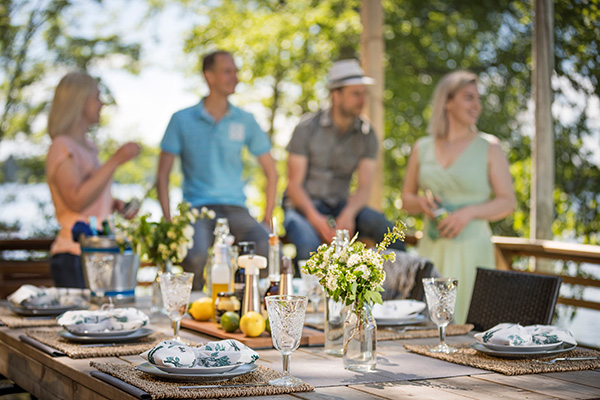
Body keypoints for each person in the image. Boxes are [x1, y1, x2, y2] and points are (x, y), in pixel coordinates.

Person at [401, 70, 515, 323]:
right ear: (448, 102)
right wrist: (420, 203)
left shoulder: (490, 147)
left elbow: (508, 202)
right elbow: (406, 199)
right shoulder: (422, 147)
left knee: (467, 326)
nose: (477, 106)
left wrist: (468, 213)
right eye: (469, 98)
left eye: (478, 99)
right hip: (431, 247)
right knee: (425, 324)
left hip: (472, 248)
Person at [157, 50, 278, 289]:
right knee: (194, 256)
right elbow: (162, 176)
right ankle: (194, 314)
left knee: (264, 246)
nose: (235, 77)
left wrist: (266, 219)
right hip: (197, 211)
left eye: (236, 71)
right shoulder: (181, 120)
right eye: (227, 71)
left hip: (236, 209)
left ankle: (247, 308)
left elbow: (272, 172)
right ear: (209, 76)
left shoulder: (246, 120)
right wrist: (169, 220)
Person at [284, 59, 405, 263]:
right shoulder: (306, 128)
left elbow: (364, 187)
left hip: (341, 207)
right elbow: (294, 186)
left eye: (364, 93)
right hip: (303, 208)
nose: (362, 100)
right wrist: (317, 220)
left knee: (388, 232)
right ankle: (304, 295)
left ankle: (402, 289)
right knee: (309, 246)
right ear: (336, 95)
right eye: (355, 94)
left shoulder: (367, 135)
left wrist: (349, 214)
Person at [46, 71, 141, 288]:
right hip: (74, 255)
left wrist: (113, 203)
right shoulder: (61, 146)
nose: (102, 104)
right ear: (79, 101)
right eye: (96, 97)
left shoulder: (88, 147)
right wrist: (116, 160)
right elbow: (76, 200)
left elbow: (90, 195)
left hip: (96, 252)